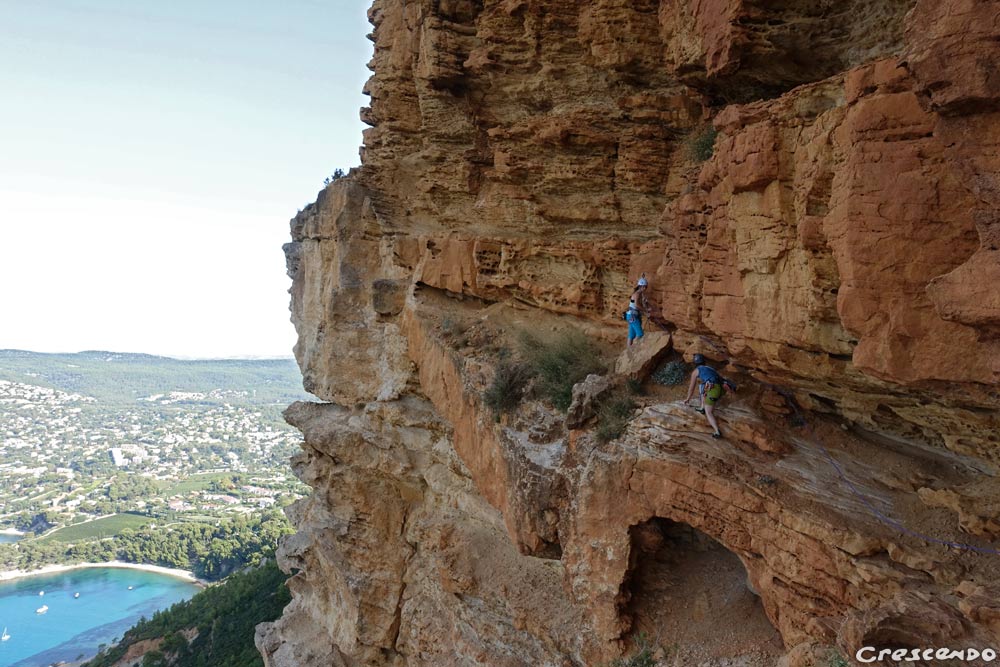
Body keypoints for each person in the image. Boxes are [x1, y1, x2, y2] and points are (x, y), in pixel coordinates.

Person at [684, 353, 734, 438]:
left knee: (709, 412)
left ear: (695, 363)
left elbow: (691, 388)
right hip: (721, 389)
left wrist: (688, 399)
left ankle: (717, 431)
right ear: (704, 362)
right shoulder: (710, 368)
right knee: (703, 386)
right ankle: (702, 407)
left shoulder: (696, 371)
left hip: (714, 390)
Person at [625, 274, 650, 346]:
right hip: (632, 316)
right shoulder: (637, 294)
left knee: (631, 335)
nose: (645, 288)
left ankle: (629, 350)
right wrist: (646, 310)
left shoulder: (639, 294)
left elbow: (637, 305)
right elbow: (637, 305)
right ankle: (636, 350)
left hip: (631, 315)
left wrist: (645, 305)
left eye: (646, 287)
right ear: (640, 286)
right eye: (644, 286)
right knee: (640, 334)